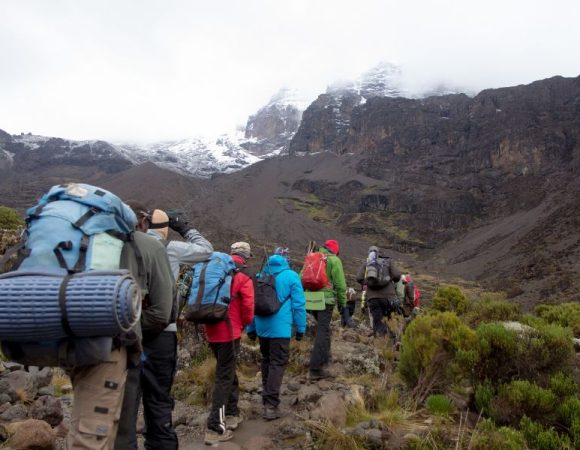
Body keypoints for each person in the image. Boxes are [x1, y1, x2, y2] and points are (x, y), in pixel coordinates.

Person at [65, 202, 174, 450]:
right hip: (120, 348)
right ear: (142, 222)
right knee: (123, 429)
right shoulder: (149, 246)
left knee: (85, 422)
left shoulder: (85, 241)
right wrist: (131, 326)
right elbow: (161, 313)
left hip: (78, 343)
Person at [115, 206, 195, 450]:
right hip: (158, 336)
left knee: (123, 407)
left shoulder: (102, 245)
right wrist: (186, 229)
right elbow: (164, 311)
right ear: (141, 222)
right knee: (158, 400)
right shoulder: (163, 248)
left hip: (111, 338)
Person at [203, 242, 255, 445]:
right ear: (245, 257)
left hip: (211, 329)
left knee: (227, 370)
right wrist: (244, 325)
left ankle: (232, 412)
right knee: (224, 377)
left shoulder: (215, 271)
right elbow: (249, 307)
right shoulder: (242, 275)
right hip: (230, 332)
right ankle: (215, 427)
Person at [247, 253, 306, 419]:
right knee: (277, 363)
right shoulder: (291, 276)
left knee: (266, 360)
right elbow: (299, 305)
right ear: (285, 262)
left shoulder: (259, 276)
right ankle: (271, 405)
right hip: (281, 330)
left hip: (261, 328)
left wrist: (250, 328)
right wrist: (301, 328)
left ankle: (266, 398)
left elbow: (250, 304)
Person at [305, 239, 347, 380]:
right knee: (322, 331)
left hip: (309, 300)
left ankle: (326, 359)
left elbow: (301, 277)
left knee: (322, 330)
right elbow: (340, 285)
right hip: (325, 300)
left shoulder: (312, 257)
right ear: (335, 250)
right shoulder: (334, 261)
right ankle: (315, 369)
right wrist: (343, 304)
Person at [356, 246, 402, 342]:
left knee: (378, 321)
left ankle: (381, 344)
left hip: (373, 298)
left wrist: (368, 283)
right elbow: (397, 275)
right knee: (391, 319)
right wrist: (389, 279)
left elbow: (359, 278)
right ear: (379, 253)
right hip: (389, 297)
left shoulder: (367, 263)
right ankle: (394, 343)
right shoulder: (388, 261)